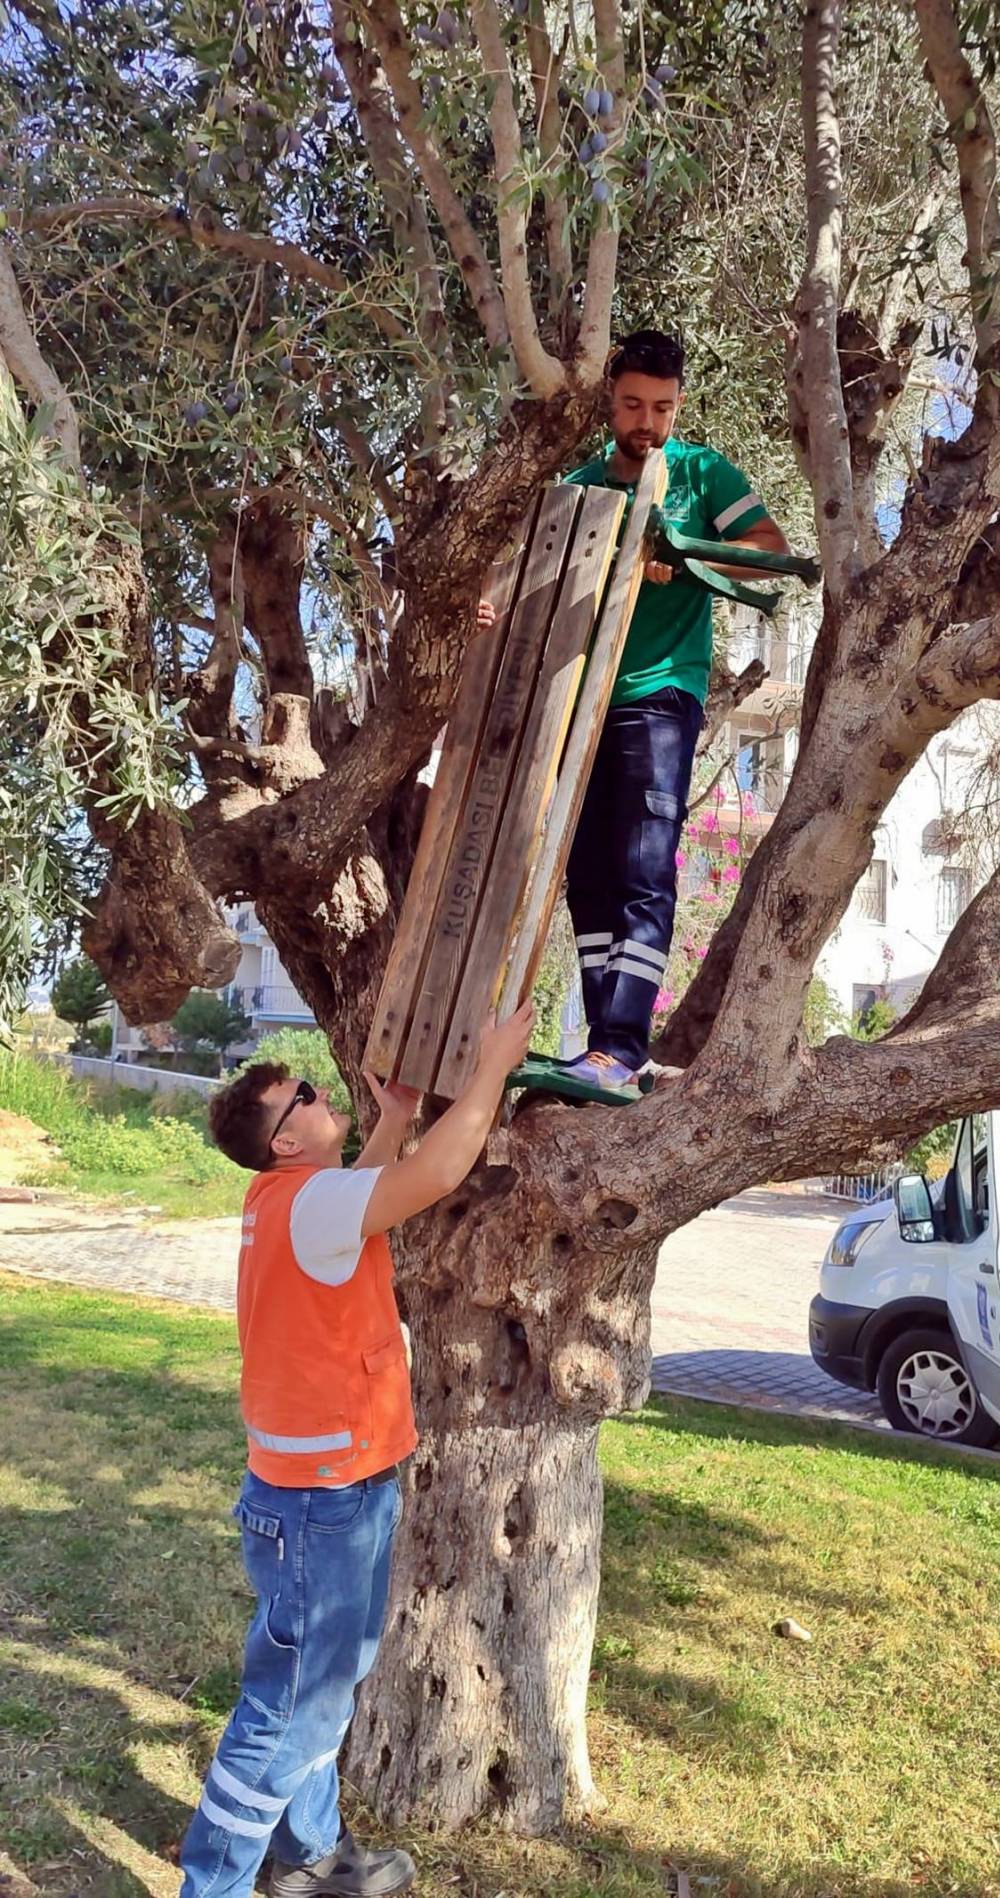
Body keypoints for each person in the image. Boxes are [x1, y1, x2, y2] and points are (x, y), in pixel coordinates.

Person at [178, 999, 534, 1898]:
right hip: (321, 1497)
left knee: (325, 1685)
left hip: (328, 1481)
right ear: (286, 1142)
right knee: (291, 1708)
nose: (314, 1086)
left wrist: (396, 1118)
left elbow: (366, 1200)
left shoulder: (295, 1202)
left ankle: (311, 1859)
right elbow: (441, 1172)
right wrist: (493, 1063)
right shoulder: (311, 1203)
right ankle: (210, 1883)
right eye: (301, 1092)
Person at [559, 328, 790, 1089]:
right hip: (578, 707)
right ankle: (603, 1046)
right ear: (609, 401)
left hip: (660, 695)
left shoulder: (700, 472)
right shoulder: (579, 483)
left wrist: (682, 549)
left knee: (643, 868)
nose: (646, 422)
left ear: (678, 405)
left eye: (660, 407)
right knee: (587, 875)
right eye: (631, 404)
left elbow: (768, 544)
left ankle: (624, 1043)